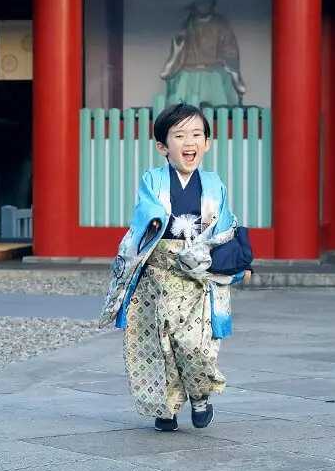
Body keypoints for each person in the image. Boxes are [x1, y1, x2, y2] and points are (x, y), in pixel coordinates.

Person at [98, 103, 254, 431]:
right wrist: (157, 220)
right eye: (179, 135)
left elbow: (224, 226)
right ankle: (165, 406)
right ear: (162, 147)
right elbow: (148, 214)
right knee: (159, 343)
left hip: (199, 274)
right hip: (158, 275)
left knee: (195, 343)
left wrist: (237, 265)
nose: (189, 142)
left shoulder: (214, 184)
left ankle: (199, 396)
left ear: (207, 143)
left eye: (197, 134)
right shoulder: (152, 180)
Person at [159, 0, 247, 108]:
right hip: (188, 73)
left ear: (213, 4)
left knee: (219, 109)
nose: (204, 6)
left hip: (214, 72)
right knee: (183, 112)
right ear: (194, 4)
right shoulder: (187, 23)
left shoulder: (221, 24)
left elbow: (230, 50)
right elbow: (178, 47)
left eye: (207, 2)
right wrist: (180, 42)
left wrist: (233, 72)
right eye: (200, 3)